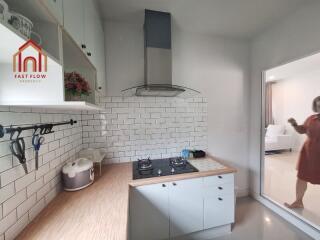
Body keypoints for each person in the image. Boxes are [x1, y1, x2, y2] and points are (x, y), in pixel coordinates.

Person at [284, 96, 320, 209]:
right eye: (319, 106)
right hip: (308, 153)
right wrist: (294, 124)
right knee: (302, 177)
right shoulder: (311, 118)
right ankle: (298, 201)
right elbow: (302, 130)